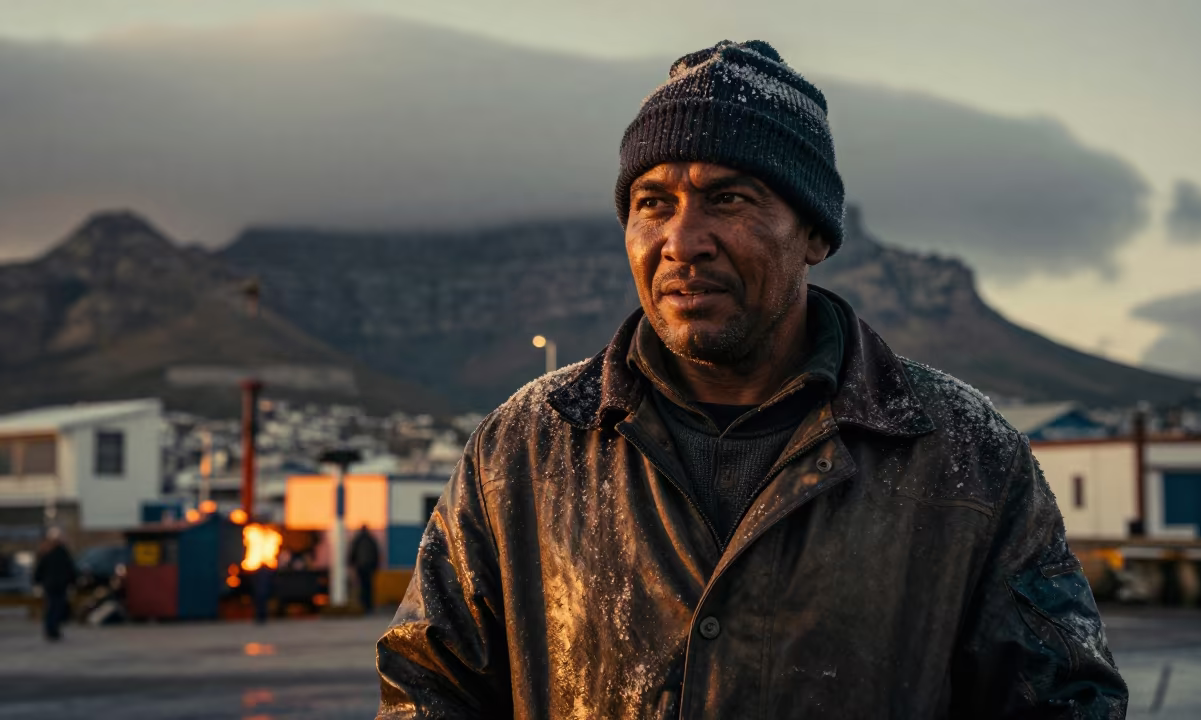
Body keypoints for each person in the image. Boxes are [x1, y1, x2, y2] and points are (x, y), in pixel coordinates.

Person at [377, 40, 1127, 718]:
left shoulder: (962, 453)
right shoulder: (527, 447)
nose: (682, 242)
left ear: (814, 234)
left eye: (728, 199)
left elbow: (1064, 702)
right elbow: (427, 691)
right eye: (652, 204)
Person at [33, 527, 76, 642]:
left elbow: (39, 569)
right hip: (60, 584)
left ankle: (50, 629)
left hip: (49, 584)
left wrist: (36, 581)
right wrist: (73, 581)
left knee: (51, 606)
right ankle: (54, 629)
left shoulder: (46, 552)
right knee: (57, 606)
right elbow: (70, 569)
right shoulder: (63, 553)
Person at [350, 524, 380, 614]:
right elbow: (376, 554)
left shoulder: (357, 540)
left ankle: (362, 605)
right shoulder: (371, 540)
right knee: (369, 587)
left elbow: (353, 553)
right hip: (369, 567)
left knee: (361, 586)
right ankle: (369, 606)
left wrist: (352, 563)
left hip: (360, 567)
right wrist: (375, 566)